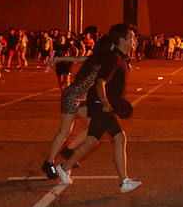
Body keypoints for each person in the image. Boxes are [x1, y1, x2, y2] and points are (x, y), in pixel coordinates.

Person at [54, 24, 141, 194]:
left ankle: (64, 168)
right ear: (122, 39)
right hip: (99, 105)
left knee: (91, 141)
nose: (134, 40)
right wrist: (104, 102)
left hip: (103, 104)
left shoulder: (122, 58)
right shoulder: (114, 58)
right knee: (120, 138)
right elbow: (100, 82)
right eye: (131, 37)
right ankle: (124, 182)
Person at [42, 36, 112, 179]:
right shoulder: (100, 61)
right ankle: (49, 163)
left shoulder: (99, 59)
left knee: (94, 125)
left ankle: (69, 151)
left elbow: (78, 59)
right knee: (65, 131)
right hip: (72, 96)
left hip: (82, 98)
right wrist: (57, 60)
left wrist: (58, 60)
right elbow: (78, 59)